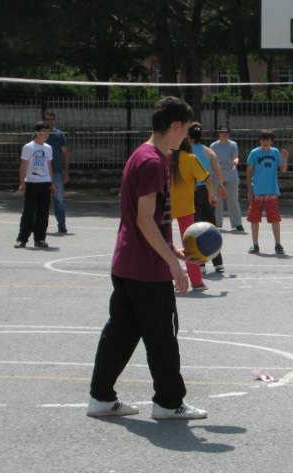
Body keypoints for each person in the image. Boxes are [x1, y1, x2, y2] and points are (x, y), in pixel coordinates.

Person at [87, 96, 207, 421]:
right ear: (176, 126)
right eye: (184, 132)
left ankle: (100, 397)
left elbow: (150, 222)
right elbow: (144, 219)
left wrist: (174, 250)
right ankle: (168, 402)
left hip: (127, 261)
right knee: (162, 334)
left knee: (121, 332)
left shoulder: (141, 154)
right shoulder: (154, 162)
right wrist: (171, 263)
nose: (185, 139)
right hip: (146, 268)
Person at [170, 136, 217, 292]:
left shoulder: (165, 156)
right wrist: (211, 196)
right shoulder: (191, 158)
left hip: (165, 208)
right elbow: (207, 180)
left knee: (162, 243)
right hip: (185, 208)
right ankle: (196, 282)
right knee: (190, 246)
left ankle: (160, 278)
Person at [188, 122, 228, 273]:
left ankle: (201, 265)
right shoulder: (209, 152)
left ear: (188, 136)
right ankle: (218, 263)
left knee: (196, 228)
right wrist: (221, 186)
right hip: (208, 189)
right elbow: (219, 172)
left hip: (192, 191)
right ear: (202, 135)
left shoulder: (186, 151)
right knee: (211, 226)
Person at [246, 129, 288, 255]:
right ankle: (255, 244)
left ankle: (278, 244)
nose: (265, 142)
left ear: (271, 141)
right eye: (263, 140)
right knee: (254, 218)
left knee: (275, 218)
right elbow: (248, 172)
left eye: (268, 140)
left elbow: (283, 170)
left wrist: (285, 159)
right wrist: (250, 191)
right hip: (257, 191)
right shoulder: (254, 153)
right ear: (260, 140)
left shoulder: (275, 152)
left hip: (271, 191)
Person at [15, 121, 56, 248]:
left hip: (45, 183)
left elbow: (49, 166)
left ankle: (40, 239)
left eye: (47, 132)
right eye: (43, 132)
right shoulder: (28, 147)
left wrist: (52, 185)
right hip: (32, 183)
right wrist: (22, 183)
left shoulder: (48, 148)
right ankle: (22, 239)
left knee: (43, 213)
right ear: (36, 133)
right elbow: (23, 166)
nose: (46, 135)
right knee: (28, 212)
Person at [34, 110, 69, 233]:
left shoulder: (59, 134)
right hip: (40, 173)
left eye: (51, 119)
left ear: (54, 120)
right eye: (47, 119)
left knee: (58, 199)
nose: (50, 121)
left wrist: (66, 172)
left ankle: (62, 225)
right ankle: (37, 224)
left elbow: (65, 154)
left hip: (57, 171)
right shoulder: (37, 134)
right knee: (39, 200)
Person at [209, 125, 244, 231]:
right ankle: (216, 223)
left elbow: (235, 157)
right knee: (216, 201)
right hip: (216, 176)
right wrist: (209, 175)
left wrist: (235, 161)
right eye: (222, 131)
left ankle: (237, 223)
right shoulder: (213, 146)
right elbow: (211, 162)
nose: (224, 133)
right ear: (218, 133)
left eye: (226, 132)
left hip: (231, 176)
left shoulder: (233, 144)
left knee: (233, 200)